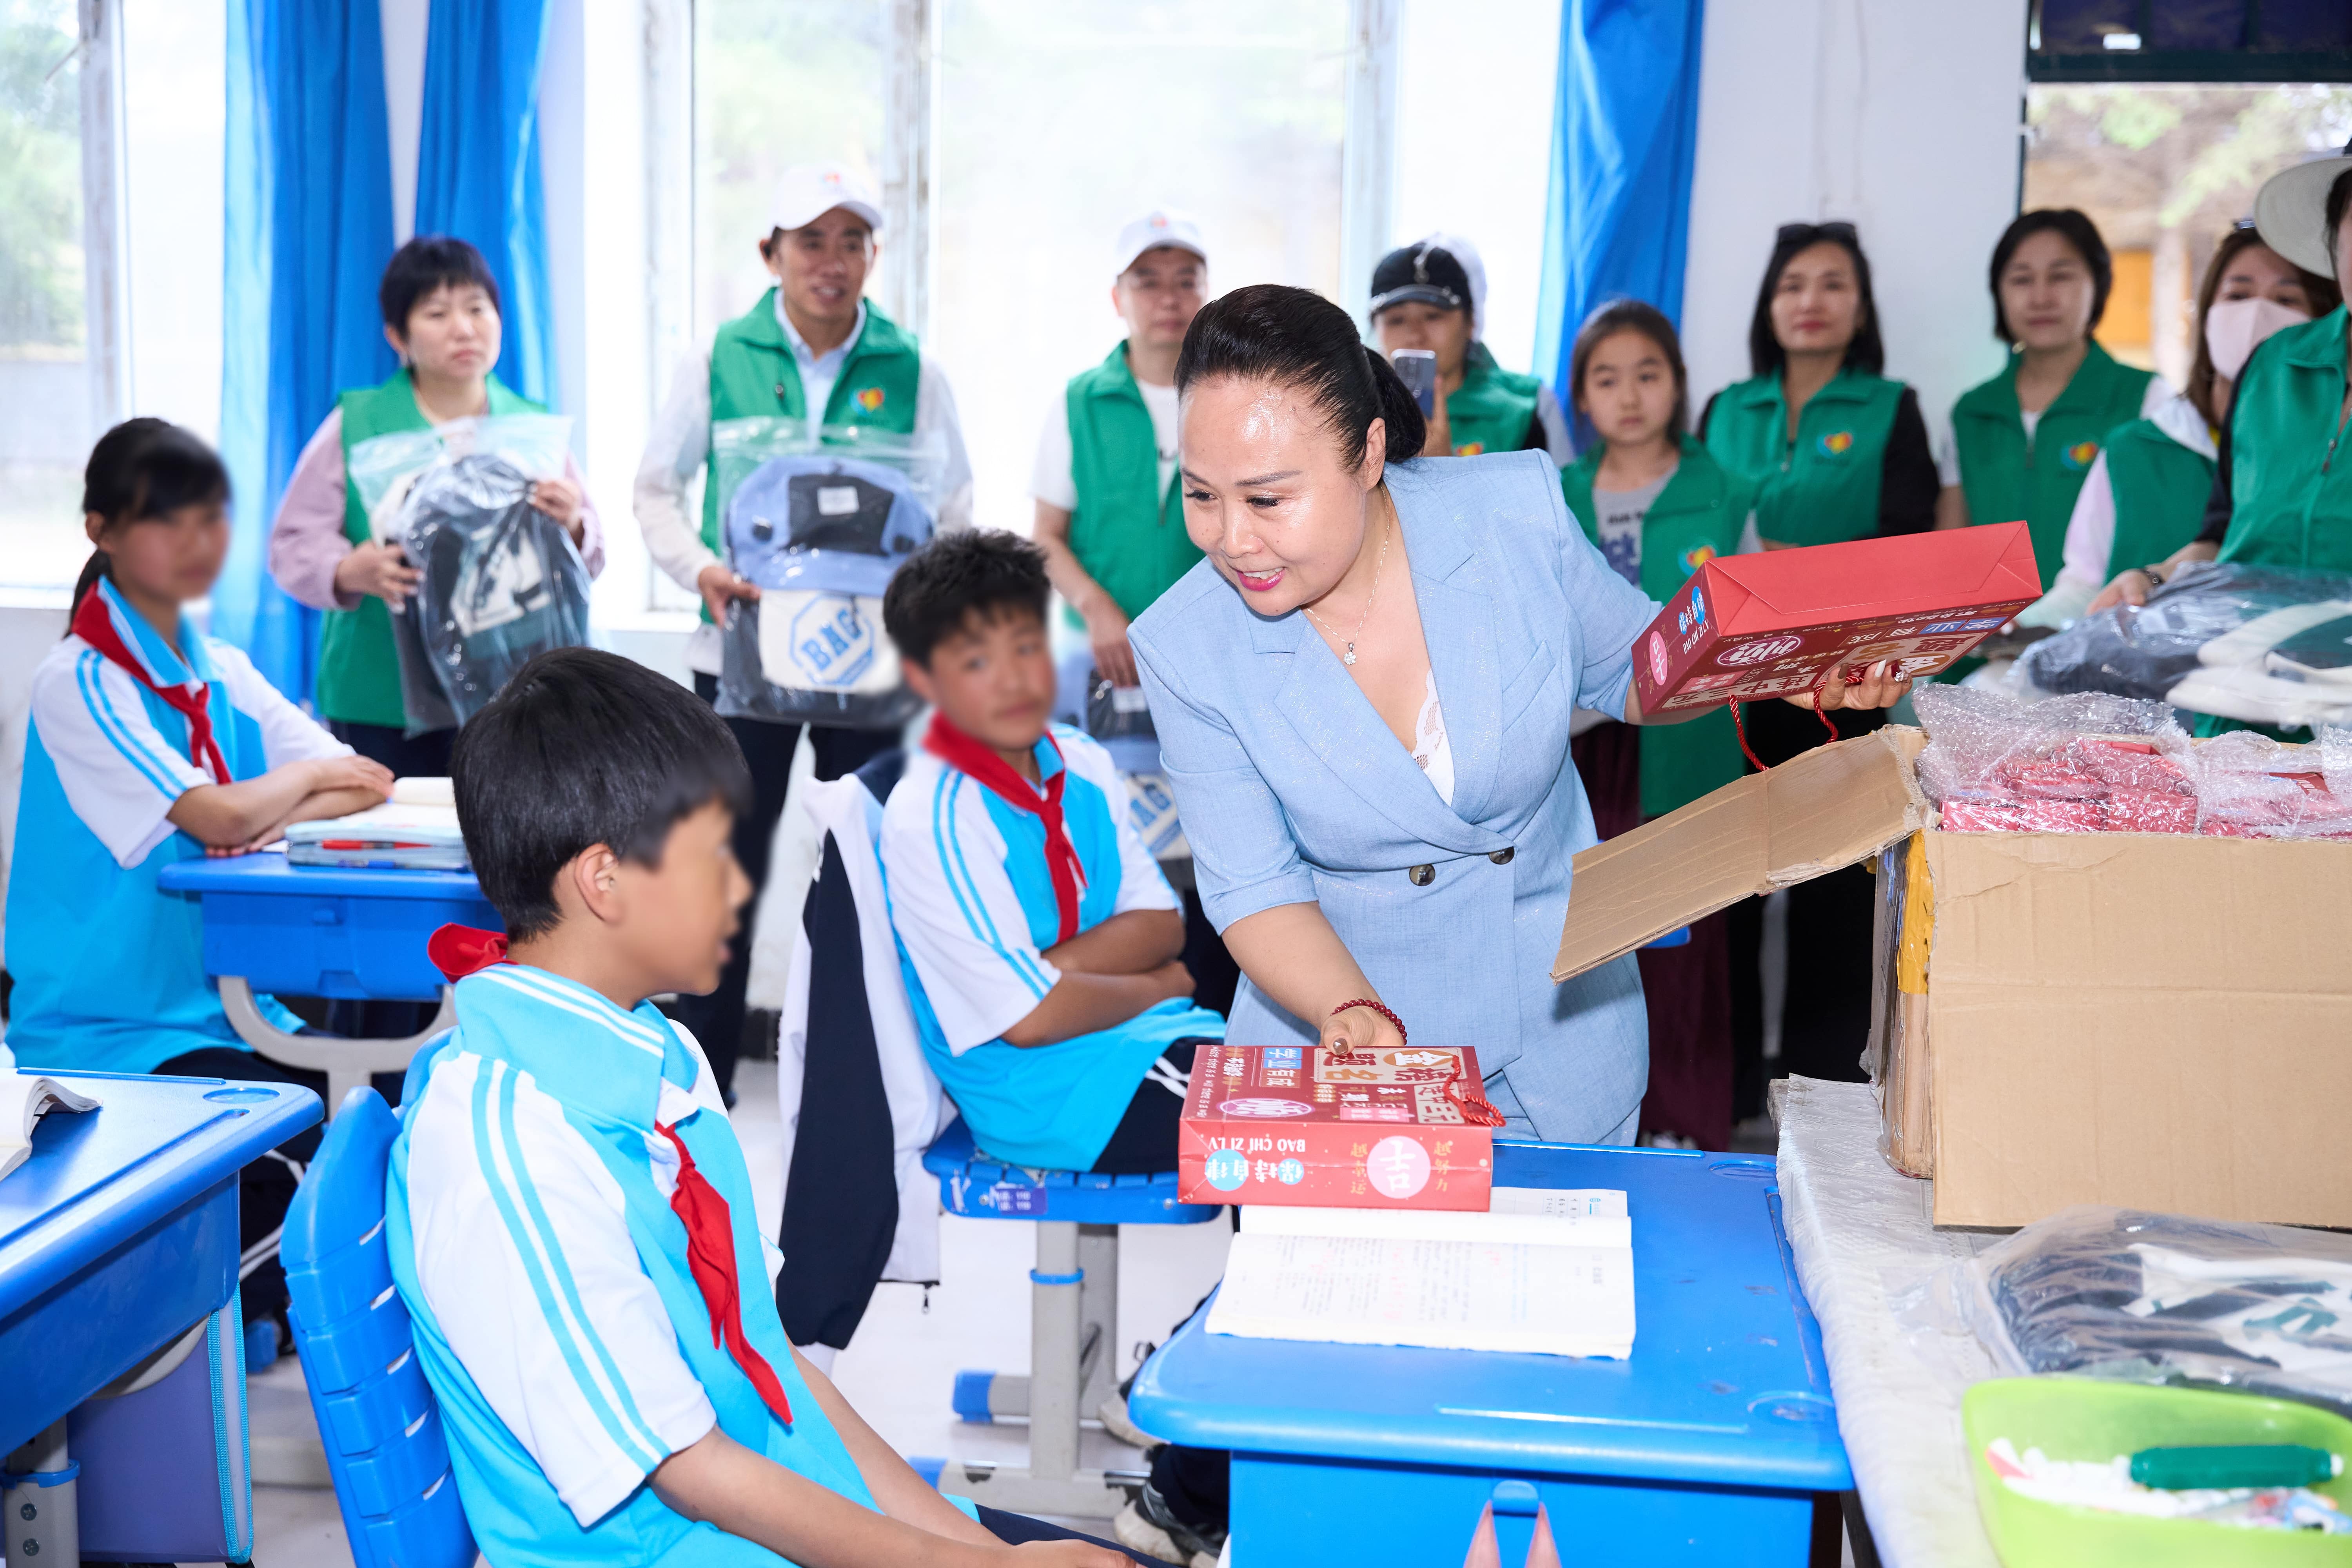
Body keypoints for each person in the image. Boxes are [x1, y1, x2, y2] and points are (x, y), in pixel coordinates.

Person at [386, 647, 1155, 1566]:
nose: (743, 887)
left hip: (760, 1511)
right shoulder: (510, 1145)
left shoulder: (661, 1057)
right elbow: (689, 1469)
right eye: (717, 855)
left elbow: (774, 1363)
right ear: (603, 880)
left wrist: (978, 1546)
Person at [1128, 285, 1910, 1145]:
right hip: (1348, 1052)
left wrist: (1782, 674)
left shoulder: (1512, 513)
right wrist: (1346, 1007)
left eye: (1269, 499)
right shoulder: (1187, 646)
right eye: (1203, 496)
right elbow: (1257, 886)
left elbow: (1629, 667)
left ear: (1368, 452)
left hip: (1559, 1032)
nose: (1231, 538)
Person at [9, 419, 396, 1340]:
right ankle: (205, 1318)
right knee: (315, 1169)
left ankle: (247, 1311)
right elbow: (224, 817)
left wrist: (261, 800)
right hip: (113, 1035)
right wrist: (272, 794)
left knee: (375, 1142)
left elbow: (364, 780)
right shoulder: (80, 681)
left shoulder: (213, 665)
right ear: (101, 529)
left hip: (222, 1012)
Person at [634, 162, 975, 1098]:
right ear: (771, 253)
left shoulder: (915, 370)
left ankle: (859, 1073)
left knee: (867, 861)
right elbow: (655, 489)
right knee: (719, 868)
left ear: (874, 255)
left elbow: (954, 507)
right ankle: (699, 1080)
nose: (833, 261)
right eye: (811, 240)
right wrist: (696, 568)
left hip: (872, 674)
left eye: (852, 241)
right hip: (738, 663)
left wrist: (928, 610)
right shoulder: (717, 360)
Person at [1698, 220, 1938, 1099]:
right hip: (1736, 685)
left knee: (1837, 894)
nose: (1811, 300)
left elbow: (1910, 547)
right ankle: (1720, 1091)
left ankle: (1823, 1084)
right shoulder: (1726, 407)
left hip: (1846, 684)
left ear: (1862, 306)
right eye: (1794, 283)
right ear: (1769, 303)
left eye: (1833, 283)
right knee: (1727, 884)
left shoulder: (1891, 405)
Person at [269, 234, 603, 777]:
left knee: (509, 854)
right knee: (392, 849)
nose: (464, 328)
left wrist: (573, 526)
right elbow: (291, 544)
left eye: (477, 308)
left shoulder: (533, 430)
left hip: (516, 693)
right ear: (397, 335)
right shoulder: (358, 424)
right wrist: (349, 569)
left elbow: (590, 554)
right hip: (382, 697)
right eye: (437, 313)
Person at [1029, 210, 1239, 1019]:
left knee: (1219, 854)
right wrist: (1099, 610)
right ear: (1117, 296)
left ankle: (1227, 1044)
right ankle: (1142, 1039)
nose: (1168, 296)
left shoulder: (1232, 394)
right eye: (1148, 279)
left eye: (1186, 277)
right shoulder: (1080, 403)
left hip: (1217, 668)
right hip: (1102, 675)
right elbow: (1046, 536)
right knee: (1116, 853)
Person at [1558, 300, 1753, 1148]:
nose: (1629, 395)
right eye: (1607, 378)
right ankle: (1586, 1127)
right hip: (1572, 751)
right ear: (1580, 398)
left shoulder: (1730, 493)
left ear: (1678, 385)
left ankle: (1687, 1131)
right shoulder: (1550, 495)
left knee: (1686, 956)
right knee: (1586, 942)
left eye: (1649, 373)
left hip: (1687, 754)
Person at [2088, 143, 2352, 741]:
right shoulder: (2273, 367)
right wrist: (2153, 578)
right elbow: (2222, 535)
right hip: (2242, 723)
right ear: (2336, 239)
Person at [2028, 223, 2335, 625]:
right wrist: (2016, 635)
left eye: (2286, 298)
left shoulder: (2328, 452)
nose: (2256, 314)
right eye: (2238, 295)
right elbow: (2084, 587)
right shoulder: (2133, 452)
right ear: (2207, 313)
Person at [1938, 209, 2172, 589]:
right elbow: (1948, 549)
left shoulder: (2147, 399)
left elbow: (2164, 537)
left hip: (2097, 638)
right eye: (2021, 280)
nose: (2041, 297)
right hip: (1988, 643)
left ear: (2098, 285)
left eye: (2061, 276)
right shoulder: (1972, 412)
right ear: (1999, 292)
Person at [1369, 235, 1573, 463]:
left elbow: (1560, 498)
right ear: (1376, 328)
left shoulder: (1528, 407)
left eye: (1433, 317)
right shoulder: (1354, 411)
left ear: (1472, 321)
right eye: (1396, 321)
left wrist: (1444, 473)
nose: (1416, 336)